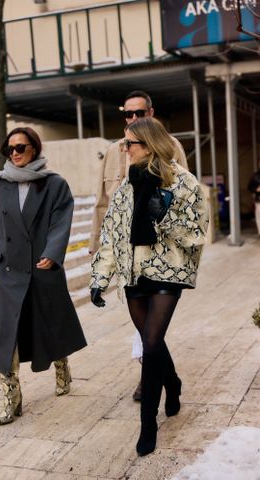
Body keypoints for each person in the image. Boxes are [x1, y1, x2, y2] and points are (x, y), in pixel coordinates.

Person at [90, 117, 208, 456]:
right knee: (151, 343)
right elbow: (112, 237)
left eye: (131, 144)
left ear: (150, 144)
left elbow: (196, 236)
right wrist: (100, 278)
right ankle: (173, 383)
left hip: (168, 271)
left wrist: (165, 217)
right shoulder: (126, 187)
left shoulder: (184, 183)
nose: (125, 150)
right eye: (124, 143)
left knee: (151, 341)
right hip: (133, 273)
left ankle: (148, 423)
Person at [0, 127, 87, 425]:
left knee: (49, 322)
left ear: (35, 149)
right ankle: (11, 396)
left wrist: (53, 253)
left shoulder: (54, 184)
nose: (14, 153)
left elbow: (61, 220)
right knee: (5, 333)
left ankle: (61, 364)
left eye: (21, 147)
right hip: (6, 268)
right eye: (9, 148)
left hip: (41, 265)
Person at [89, 90, 188, 402]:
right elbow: (101, 204)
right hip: (123, 251)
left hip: (158, 252)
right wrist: (97, 248)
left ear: (152, 112)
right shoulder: (113, 150)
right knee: (143, 322)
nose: (132, 119)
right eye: (128, 114)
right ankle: (169, 379)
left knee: (150, 325)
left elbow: (185, 199)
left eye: (139, 113)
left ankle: (151, 380)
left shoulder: (171, 146)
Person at [248, 165, 260, 235]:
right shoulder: (255, 176)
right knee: (259, 217)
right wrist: (256, 189)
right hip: (259, 199)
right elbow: (249, 187)